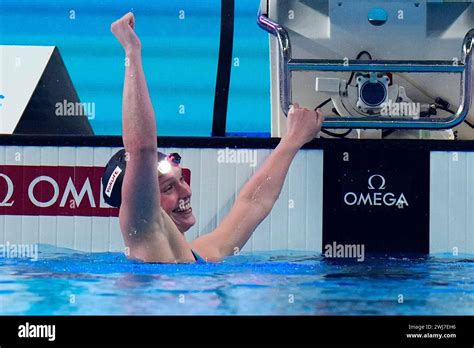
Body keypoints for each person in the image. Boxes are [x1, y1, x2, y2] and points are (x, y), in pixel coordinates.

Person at [103, 12, 324, 263]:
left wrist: (293, 139)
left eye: (181, 179)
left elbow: (253, 203)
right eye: (168, 188)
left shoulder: (202, 254)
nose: (185, 191)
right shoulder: (141, 235)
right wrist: (132, 52)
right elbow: (142, 148)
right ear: (135, 201)